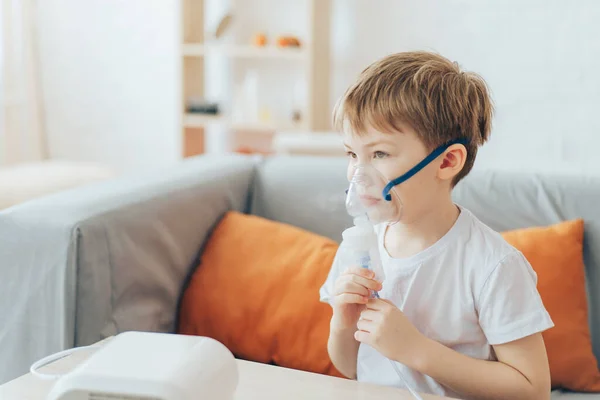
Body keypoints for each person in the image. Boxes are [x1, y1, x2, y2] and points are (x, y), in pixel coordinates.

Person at [319, 51, 554, 399]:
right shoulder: (359, 248)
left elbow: (532, 390)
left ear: (446, 161)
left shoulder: (493, 266)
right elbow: (349, 367)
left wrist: (416, 350)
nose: (358, 174)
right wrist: (343, 320)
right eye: (352, 155)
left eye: (379, 154)